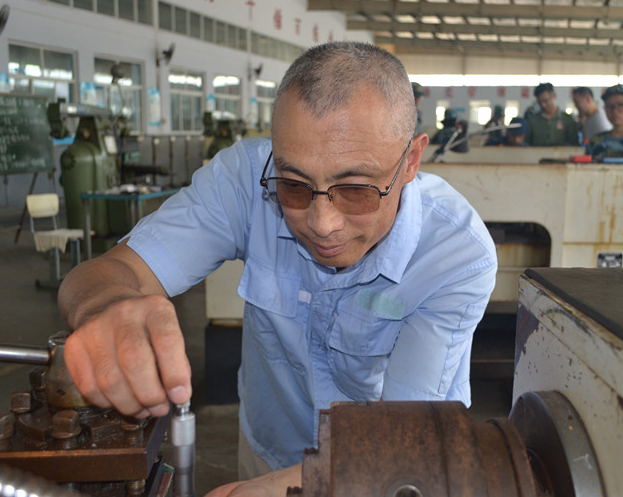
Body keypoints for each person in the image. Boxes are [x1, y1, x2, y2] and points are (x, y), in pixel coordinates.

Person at [57, 42, 497, 493]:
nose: (323, 224)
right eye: (294, 186)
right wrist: (105, 304)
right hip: (268, 453)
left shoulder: (454, 254)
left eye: (357, 190)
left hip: (387, 473)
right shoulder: (246, 180)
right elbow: (106, 274)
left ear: (410, 161)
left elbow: (406, 437)